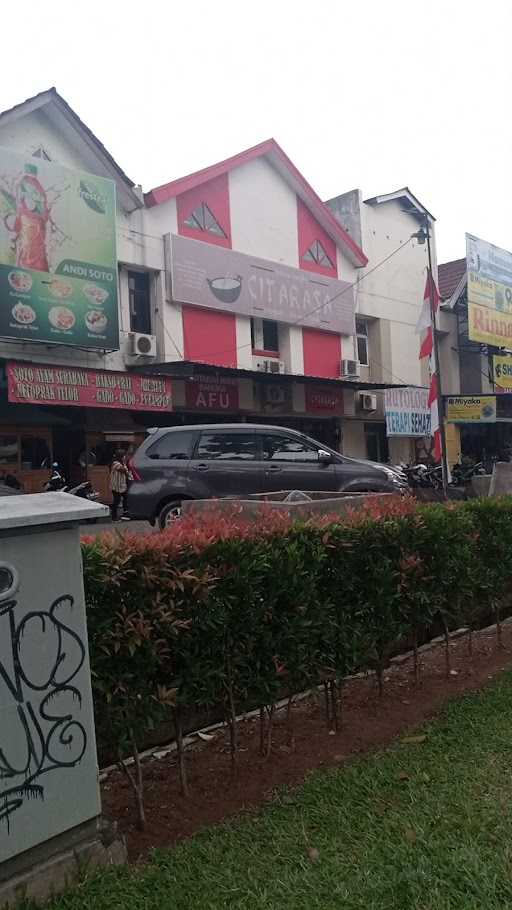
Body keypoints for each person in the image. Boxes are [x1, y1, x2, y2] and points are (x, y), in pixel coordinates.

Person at [110, 450, 129, 522]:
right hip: (116, 486)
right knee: (117, 501)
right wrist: (125, 464)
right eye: (124, 456)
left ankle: (125, 514)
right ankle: (113, 517)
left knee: (126, 498)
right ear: (120, 456)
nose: (125, 457)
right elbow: (123, 470)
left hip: (122, 486)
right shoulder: (115, 463)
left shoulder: (122, 463)